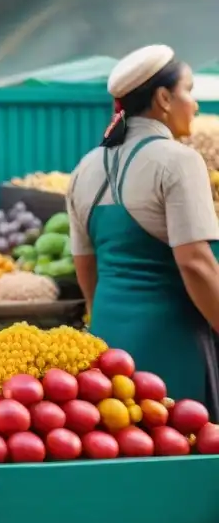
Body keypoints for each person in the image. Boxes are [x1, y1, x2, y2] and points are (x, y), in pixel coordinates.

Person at [66, 45, 219, 417]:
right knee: (184, 448)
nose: (195, 105)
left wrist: (99, 318)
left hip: (108, 342)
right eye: (189, 91)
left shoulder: (84, 168)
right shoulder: (178, 161)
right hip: (173, 341)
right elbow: (196, 264)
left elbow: (86, 265)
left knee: (125, 450)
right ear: (164, 98)